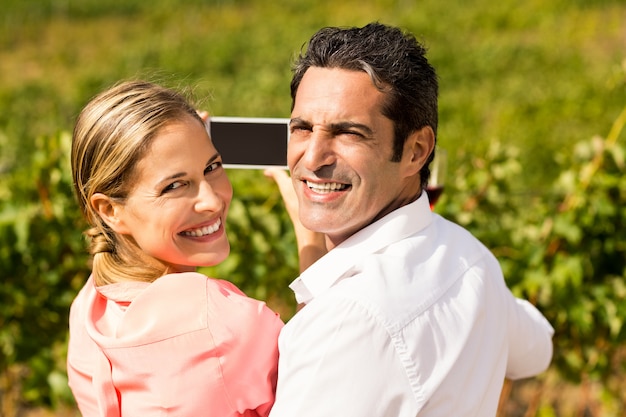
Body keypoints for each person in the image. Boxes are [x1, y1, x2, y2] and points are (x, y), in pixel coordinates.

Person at [265, 22, 555, 416]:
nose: (312, 158)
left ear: (417, 151)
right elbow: (537, 352)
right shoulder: (470, 257)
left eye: (348, 133)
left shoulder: (348, 321)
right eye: (302, 128)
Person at [66, 80, 286, 417]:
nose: (212, 201)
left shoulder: (89, 310)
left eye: (212, 167)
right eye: (174, 186)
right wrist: (313, 238)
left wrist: (179, 144)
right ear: (109, 210)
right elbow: (326, 383)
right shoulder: (225, 324)